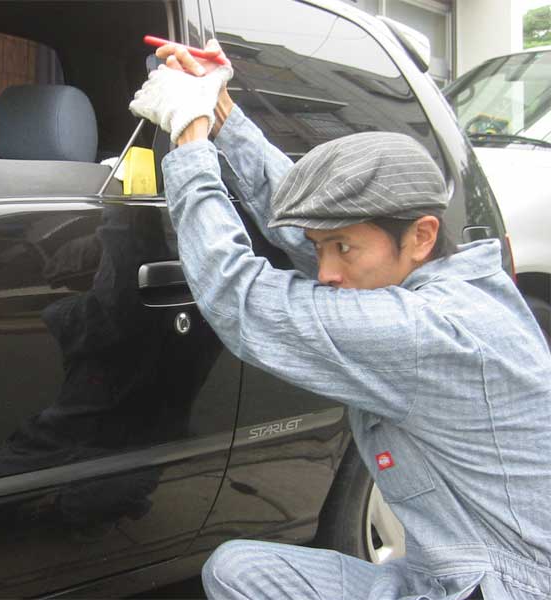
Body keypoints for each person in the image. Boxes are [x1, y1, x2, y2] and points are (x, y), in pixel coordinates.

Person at [128, 40, 551, 600]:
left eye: (343, 249)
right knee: (238, 569)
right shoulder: (446, 281)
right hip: (446, 573)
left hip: (499, 588)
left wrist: (190, 139)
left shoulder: (426, 331)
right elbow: (310, 222)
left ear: (421, 235)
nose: (324, 272)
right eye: (319, 247)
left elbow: (239, 298)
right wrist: (221, 109)